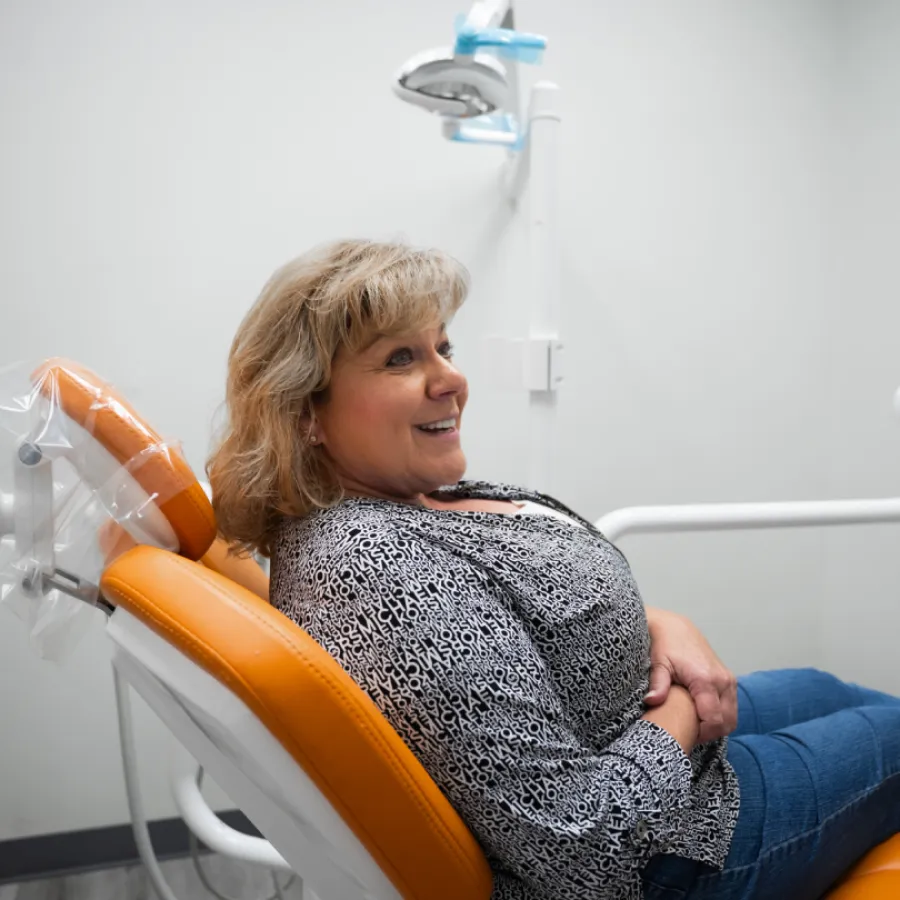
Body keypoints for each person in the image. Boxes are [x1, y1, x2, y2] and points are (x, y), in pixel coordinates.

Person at [207, 239, 900, 900]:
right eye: (399, 358)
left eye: (442, 347)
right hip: (674, 848)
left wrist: (665, 626)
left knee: (820, 687)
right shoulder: (377, 569)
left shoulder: (400, 495)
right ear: (306, 415)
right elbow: (583, 849)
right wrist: (687, 701)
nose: (452, 379)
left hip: (634, 733)